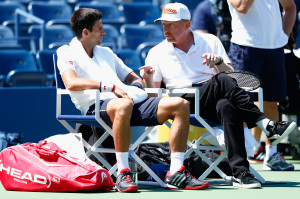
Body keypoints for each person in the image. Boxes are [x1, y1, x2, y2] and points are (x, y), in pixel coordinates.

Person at [140, 2, 297, 188]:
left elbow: (231, 75)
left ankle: (241, 172)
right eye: (164, 24)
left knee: (227, 105)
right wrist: (148, 80)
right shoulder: (156, 52)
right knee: (222, 80)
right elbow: (153, 99)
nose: (166, 29)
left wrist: (219, 62)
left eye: (172, 25)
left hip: (212, 98)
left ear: (187, 25)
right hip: (182, 103)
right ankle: (265, 124)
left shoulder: (210, 40)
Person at [56, 8, 210, 192]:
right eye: (99, 28)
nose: (104, 32)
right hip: (95, 105)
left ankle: (176, 171)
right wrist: (110, 87)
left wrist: (138, 85)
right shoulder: (65, 52)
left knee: (180, 104)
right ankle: (123, 172)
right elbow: (71, 83)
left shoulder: (106, 52)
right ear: (85, 32)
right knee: (123, 105)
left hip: (127, 102)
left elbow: (133, 77)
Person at [227, 0, 296, 171]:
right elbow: (242, 7)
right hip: (244, 49)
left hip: (274, 50)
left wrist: (283, 36)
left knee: (272, 103)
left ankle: (272, 154)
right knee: (240, 104)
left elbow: (290, 7)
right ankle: (239, 158)